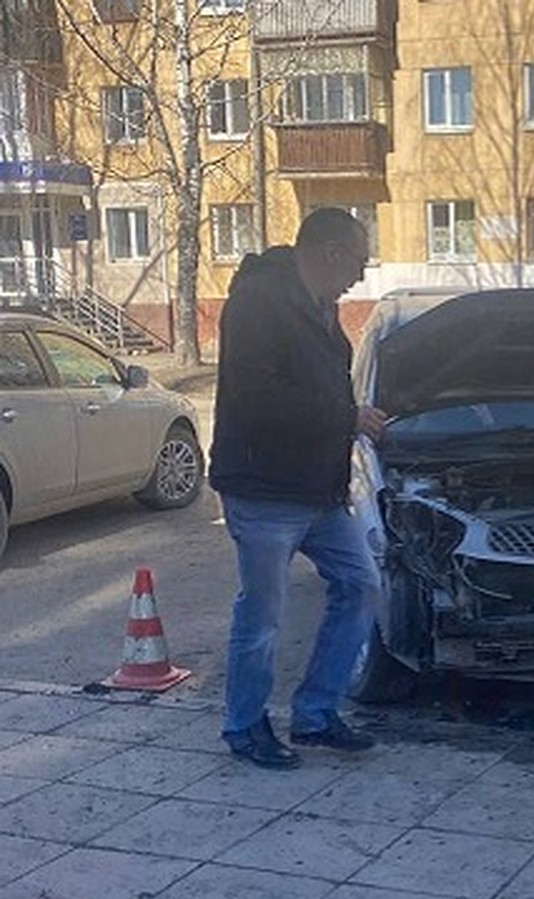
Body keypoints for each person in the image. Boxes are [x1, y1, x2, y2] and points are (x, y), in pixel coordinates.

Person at [209, 207, 388, 770]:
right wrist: (347, 418)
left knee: (361, 585)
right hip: (263, 489)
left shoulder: (320, 306)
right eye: (359, 260)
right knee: (262, 614)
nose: (360, 275)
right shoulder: (259, 303)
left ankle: (315, 714)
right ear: (330, 252)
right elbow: (258, 400)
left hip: (317, 491)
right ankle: (244, 726)